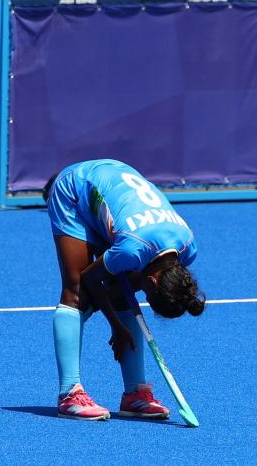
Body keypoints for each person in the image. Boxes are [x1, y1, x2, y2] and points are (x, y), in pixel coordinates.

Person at [44, 159, 205, 421]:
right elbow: (90, 278)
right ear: (152, 282)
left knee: (124, 292)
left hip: (121, 205)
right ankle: (69, 395)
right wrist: (117, 327)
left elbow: (123, 285)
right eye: (149, 296)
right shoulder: (133, 248)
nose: (146, 296)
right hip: (76, 189)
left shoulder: (187, 248)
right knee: (76, 294)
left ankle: (134, 395)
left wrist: (118, 312)